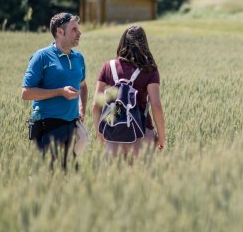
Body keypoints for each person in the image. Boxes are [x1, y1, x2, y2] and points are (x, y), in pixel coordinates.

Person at [21, 13, 87, 170]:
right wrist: (59, 92)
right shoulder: (41, 57)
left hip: (72, 129)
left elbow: (83, 85)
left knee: (72, 182)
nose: (79, 33)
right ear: (60, 32)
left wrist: (82, 108)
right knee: (49, 183)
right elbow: (26, 93)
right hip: (48, 129)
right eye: (74, 29)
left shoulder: (79, 58)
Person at [93, 25, 166, 157]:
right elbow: (156, 105)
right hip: (142, 133)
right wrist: (161, 138)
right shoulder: (149, 69)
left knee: (113, 177)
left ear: (122, 43)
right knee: (142, 177)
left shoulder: (108, 67)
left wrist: (100, 135)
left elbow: (95, 105)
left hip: (113, 135)